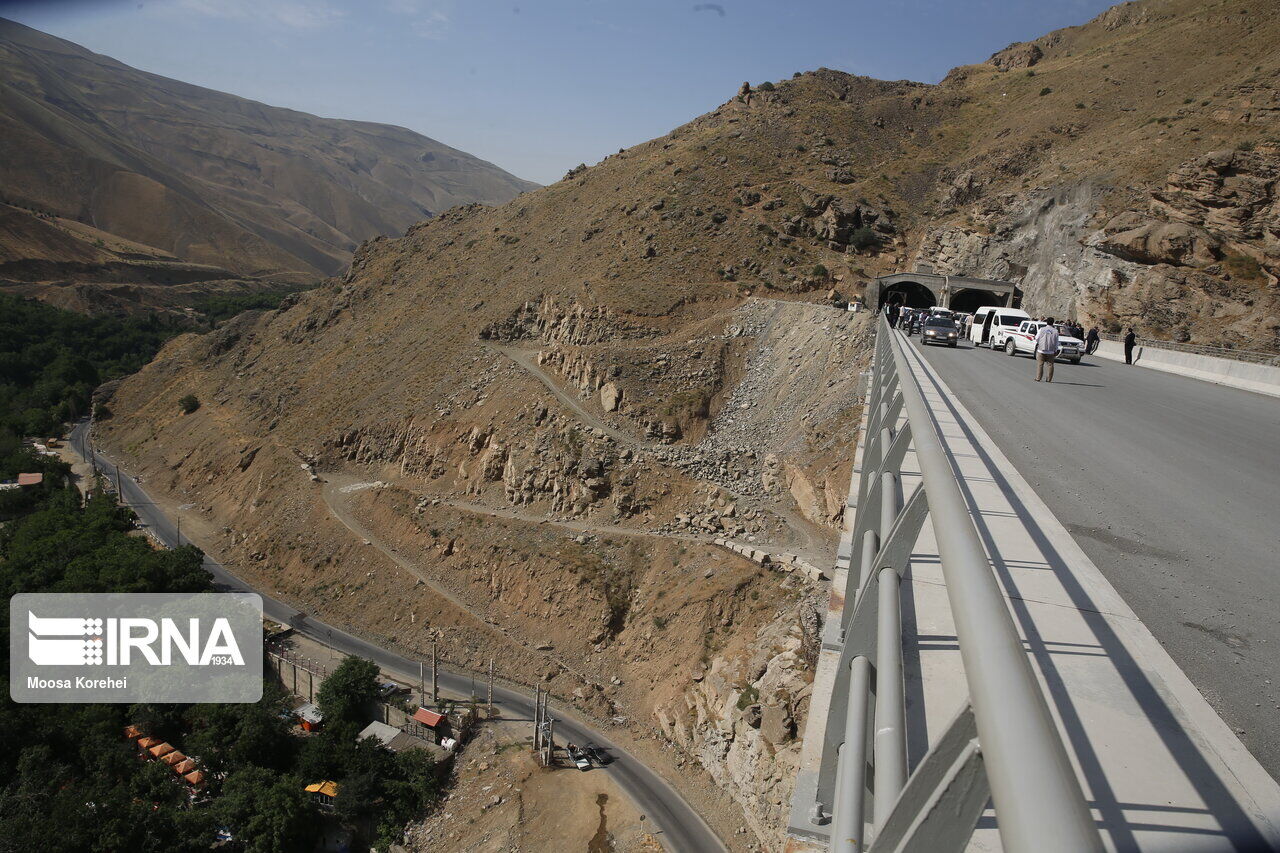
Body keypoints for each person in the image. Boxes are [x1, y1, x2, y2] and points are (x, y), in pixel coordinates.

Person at [1034, 316, 1060, 382]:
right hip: (1051, 351)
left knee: (1040, 364)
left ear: (1046, 322)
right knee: (1050, 365)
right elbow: (1057, 342)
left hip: (1041, 350)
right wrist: (1055, 350)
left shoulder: (1041, 329)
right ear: (1053, 323)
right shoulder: (1056, 331)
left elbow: (1036, 338)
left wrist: (1040, 343)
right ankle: (1049, 379)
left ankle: (1038, 378)